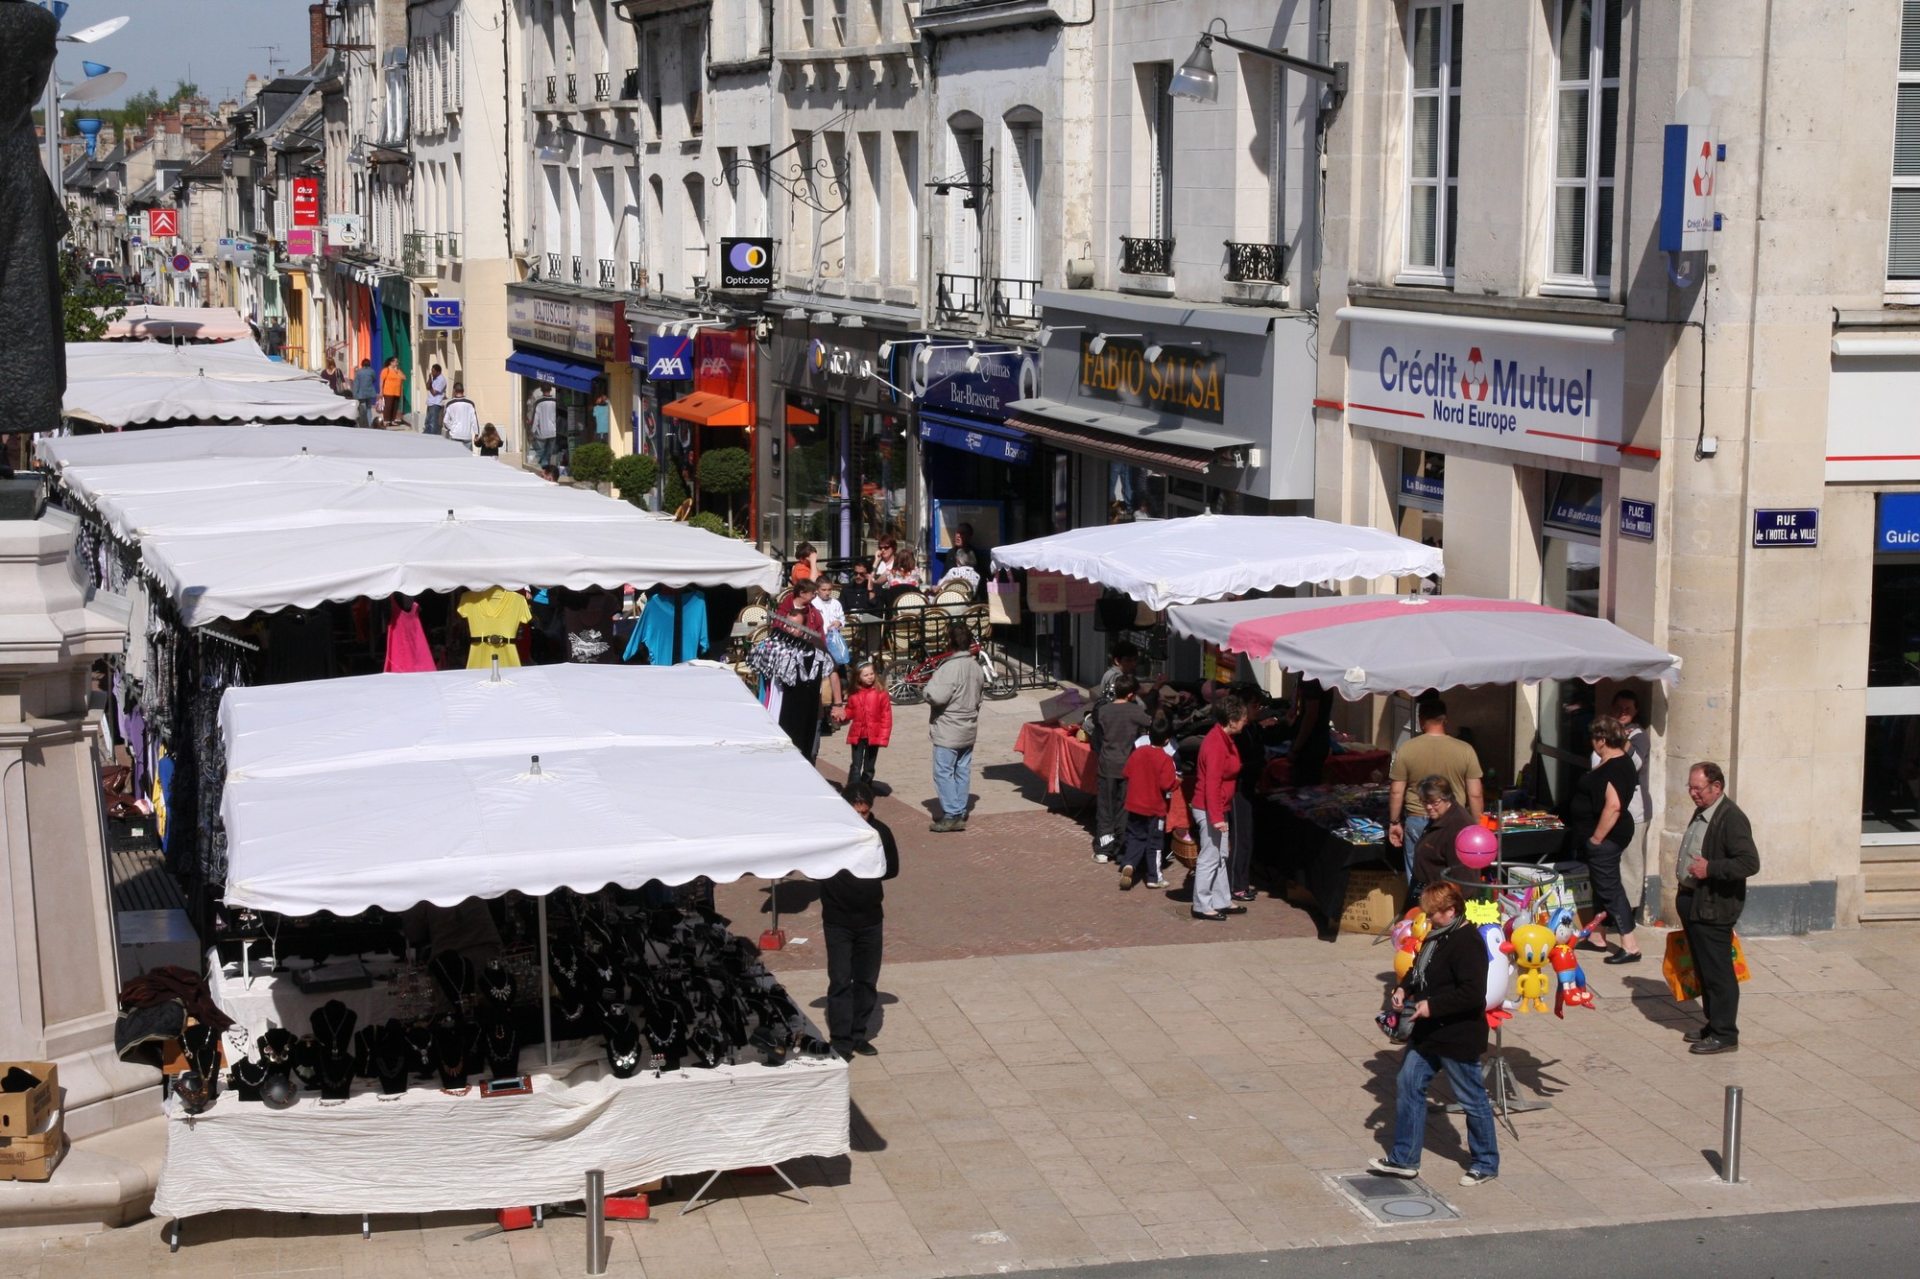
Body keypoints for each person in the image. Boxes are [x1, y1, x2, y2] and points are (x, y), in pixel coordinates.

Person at [1370, 881, 1500, 1186]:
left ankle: (1486, 1162)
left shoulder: (1467, 942)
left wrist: (1432, 1006)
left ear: (1451, 911)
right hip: (1429, 1034)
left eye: (1434, 913)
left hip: (1457, 1035)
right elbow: (1418, 971)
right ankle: (1404, 1159)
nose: (1428, 919)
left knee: (1472, 1098)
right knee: (1408, 1083)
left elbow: (1472, 994)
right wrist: (1404, 989)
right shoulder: (1437, 936)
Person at [1675, 762, 1760, 1055]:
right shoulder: (1704, 811)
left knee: (1718, 971)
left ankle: (1725, 1033)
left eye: (1698, 789)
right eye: (1690, 788)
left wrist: (1711, 868)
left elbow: (1749, 863)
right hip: (1694, 902)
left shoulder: (1731, 818)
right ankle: (1713, 1023)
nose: (1693, 794)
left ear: (1717, 787)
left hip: (1714, 907)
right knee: (1703, 968)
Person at [821, 782, 900, 1059]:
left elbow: (891, 870)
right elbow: (815, 869)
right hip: (837, 921)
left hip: (870, 920)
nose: (860, 818)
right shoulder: (831, 834)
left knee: (866, 980)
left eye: (865, 813)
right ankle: (841, 1040)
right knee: (840, 980)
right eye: (856, 812)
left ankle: (858, 1034)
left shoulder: (881, 833)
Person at [1387, 698, 1485, 880]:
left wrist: (1394, 822)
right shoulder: (1465, 750)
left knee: (1418, 877)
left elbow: (1396, 791)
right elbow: (1475, 793)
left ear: (1420, 720)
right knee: (1454, 873)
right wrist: (1478, 826)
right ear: (1445, 719)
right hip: (1454, 820)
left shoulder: (1407, 749)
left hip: (1417, 818)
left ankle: (1420, 908)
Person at [1571, 715, 1642, 963]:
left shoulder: (1616, 765)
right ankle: (1597, 936)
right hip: (1603, 836)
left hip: (1607, 837)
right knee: (1600, 884)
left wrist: (1597, 839)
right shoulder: (1612, 761)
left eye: (1594, 737)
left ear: (1601, 739)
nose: (1592, 742)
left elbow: (1613, 806)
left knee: (1610, 887)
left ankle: (1630, 945)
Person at [1594, 688, 1653, 922]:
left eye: (1628, 709)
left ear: (1636, 711)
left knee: (1630, 862)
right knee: (1614, 863)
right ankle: (1613, 909)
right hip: (1612, 809)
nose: (1622, 712)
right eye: (1619, 708)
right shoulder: (1604, 733)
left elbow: (1636, 763)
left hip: (1634, 810)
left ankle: (1628, 912)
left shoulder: (1639, 735)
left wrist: (1622, 739)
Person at [925, 621, 985, 833]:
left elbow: (936, 695)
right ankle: (959, 809)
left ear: (949, 642)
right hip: (968, 725)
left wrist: (927, 690)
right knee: (962, 769)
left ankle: (952, 813)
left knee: (943, 771)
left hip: (950, 726)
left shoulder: (949, 668)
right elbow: (979, 698)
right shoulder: (976, 667)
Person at [1191, 694, 1246, 921]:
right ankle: (1202, 904)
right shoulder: (1216, 745)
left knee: (1221, 855)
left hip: (1217, 806)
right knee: (1210, 856)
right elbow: (1211, 784)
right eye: (1242, 718)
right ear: (1231, 720)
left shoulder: (1223, 739)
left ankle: (1221, 899)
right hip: (1209, 808)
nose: (1245, 721)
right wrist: (1216, 817)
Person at [1091, 675, 1152, 863]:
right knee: (1123, 808)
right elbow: (1151, 724)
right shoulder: (1135, 711)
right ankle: (1120, 847)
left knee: (1105, 808)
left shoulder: (1103, 711)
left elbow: (1092, 726)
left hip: (1107, 765)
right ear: (1131, 694)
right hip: (1127, 766)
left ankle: (1103, 849)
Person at [1119, 717, 1177, 891]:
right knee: (1155, 843)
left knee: (1135, 836)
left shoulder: (1138, 752)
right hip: (1154, 807)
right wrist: (1177, 782)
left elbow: (1126, 772)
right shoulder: (1165, 759)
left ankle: (1129, 863)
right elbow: (1167, 784)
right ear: (1167, 740)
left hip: (1135, 803)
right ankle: (1154, 876)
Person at [1408, 775, 1476, 899]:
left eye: (1434, 802)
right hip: (1428, 892)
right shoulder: (1441, 817)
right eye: (1424, 802)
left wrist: (1451, 907)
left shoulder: (1457, 827)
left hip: (1443, 900)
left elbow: (1463, 876)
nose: (1428, 807)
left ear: (1447, 798)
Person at [842, 660, 891, 789]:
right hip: (857, 734)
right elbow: (850, 711)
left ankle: (866, 788)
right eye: (866, 675)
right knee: (856, 765)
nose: (870, 677)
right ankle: (853, 790)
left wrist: (883, 737)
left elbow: (886, 717)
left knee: (869, 767)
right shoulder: (854, 694)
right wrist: (843, 716)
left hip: (873, 735)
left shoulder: (881, 693)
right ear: (858, 677)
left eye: (871, 674)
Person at [1288, 677, 1334, 786]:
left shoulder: (1310, 678)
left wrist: (1296, 748)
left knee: (1305, 788)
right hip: (1318, 739)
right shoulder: (1321, 674)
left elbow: (1311, 715)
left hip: (1310, 743)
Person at [442, 382, 479, 447]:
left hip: (455, 435)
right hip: (467, 435)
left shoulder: (450, 404)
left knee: (456, 456)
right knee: (466, 456)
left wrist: (452, 427)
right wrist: (476, 433)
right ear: (463, 391)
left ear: (454, 391)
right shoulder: (470, 403)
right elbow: (474, 420)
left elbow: (445, 421)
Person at [529, 386, 558, 468]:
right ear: (550, 390)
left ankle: (543, 468)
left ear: (542, 390)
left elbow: (536, 418)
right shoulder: (555, 402)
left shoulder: (539, 402)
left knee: (541, 451)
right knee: (549, 452)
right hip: (553, 431)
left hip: (541, 432)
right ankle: (546, 467)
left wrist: (532, 431)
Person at [351, 358, 378, 428]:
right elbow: (374, 379)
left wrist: (354, 394)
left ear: (362, 364)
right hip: (369, 393)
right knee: (369, 408)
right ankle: (369, 423)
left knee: (363, 409)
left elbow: (356, 384)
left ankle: (362, 424)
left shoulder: (359, 372)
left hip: (361, 393)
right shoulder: (371, 371)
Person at [379, 356, 406, 426]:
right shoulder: (386, 370)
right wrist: (381, 391)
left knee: (395, 406)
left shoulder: (398, 371)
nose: (397, 363)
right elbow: (381, 381)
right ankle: (386, 420)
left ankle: (392, 420)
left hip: (397, 392)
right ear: (391, 362)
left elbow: (404, 378)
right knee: (388, 406)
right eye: (395, 362)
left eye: (397, 362)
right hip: (388, 391)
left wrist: (397, 371)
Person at [424, 363, 447, 435]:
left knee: (433, 423)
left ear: (438, 372)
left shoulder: (441, 380)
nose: (432, 373)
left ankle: (433, 436)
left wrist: (430, 385)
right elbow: (427, 387)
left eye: (433, 371)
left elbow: (434, 392)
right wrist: (430, 379)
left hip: (436, 403)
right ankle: (427, 434)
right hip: (430, 402)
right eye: (431, 371)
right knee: (427, 421)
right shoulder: (433, 378)